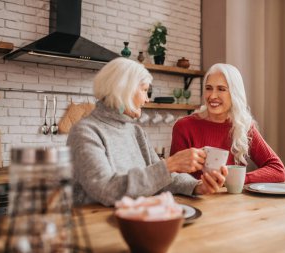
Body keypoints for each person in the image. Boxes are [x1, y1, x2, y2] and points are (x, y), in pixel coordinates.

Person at [67, 58, 227, 206]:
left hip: (137, 219)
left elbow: (161, 178)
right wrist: (170, 164)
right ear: (123, 91)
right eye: (144, 90)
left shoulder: (136, 132)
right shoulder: (85, 132)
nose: (147, 99)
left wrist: (198, 186)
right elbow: (106, 190)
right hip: (98, 228)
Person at [170, 63, 285, 184]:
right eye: (209, 88)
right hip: (195, 201)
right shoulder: (184, 126)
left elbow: (278, 170)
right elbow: (174, 179)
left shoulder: (243, 126)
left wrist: (236, 178)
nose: (212, 96)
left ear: (234, 94)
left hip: (233, 201)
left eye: (221, 89)